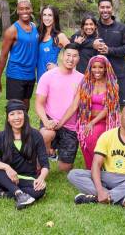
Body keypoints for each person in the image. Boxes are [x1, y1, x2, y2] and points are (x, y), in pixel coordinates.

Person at [68, 105, 125, 207]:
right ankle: (116, 198)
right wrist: (99, 189)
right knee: (74, 174)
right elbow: (96, 164)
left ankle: (97, 198)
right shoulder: (107, 136)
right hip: (107, 176)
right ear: (120, 116)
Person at [0, 100, 49, 210]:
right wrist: (6, 167)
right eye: (12, 114)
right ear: (8, 118)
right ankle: (19, 194)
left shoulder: (35, 135)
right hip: (6, 178)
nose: (16, 117)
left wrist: (41, 178)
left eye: (19, 113)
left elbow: (45, 163)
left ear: (25, 115)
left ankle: (1, 193)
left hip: (27, 178)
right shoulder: (1, 136)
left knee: (40, 190)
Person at [57, 55, 121, 169]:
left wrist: (92, 123)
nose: (97, 70)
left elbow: (108, 108)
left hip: (104, 121)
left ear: (106, 68)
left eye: (100, 67)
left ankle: (102, 167)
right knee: (84, 141)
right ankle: (92, 169)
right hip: (86, 120)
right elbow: (74, 106)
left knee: (90, 136)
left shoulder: (112, 85)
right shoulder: (85, 84)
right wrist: (60, 124)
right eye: (94, 67)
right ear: (90, 68)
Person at [35, 43, 84, 172]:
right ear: (62, 56)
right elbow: (39, 104)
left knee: (64, 168)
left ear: (78, 58)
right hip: (50, 121)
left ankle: (56, 153)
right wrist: (46, 121)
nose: (71, 59)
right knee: (47, 133)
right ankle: (43, 155)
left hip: (70, 126)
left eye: (75, 56)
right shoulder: (48, 76)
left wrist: (61, 123)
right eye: (68, 55)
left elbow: (75, 106)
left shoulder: (82, 79)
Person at [0, 0, 39, 110]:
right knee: (15, 108)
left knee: (26, 106)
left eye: (27, 8)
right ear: (18, 11)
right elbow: (3, 56)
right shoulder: (12, 30)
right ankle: (10, 128)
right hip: (16, 73)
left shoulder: (34, 27)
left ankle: (24, 128)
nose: (24, 11)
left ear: (31, 9)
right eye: (21, 9)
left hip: (30, 74)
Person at [93, 0, 125, 107]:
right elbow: (78, 40)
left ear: (112, 9)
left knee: (119, 106)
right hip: (97, 74)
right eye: (102, 7)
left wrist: (109, 50)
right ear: (98, 9)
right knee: (98, 106)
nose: (105, 10)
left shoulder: (121, 28)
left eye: (108, 7)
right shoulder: (93, 27)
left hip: (117, 74)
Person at [36, 5, 70, 83]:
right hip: (40, 79)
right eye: (44, 15)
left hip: (53, 79)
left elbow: (73, 54)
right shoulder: (39, 34)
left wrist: (60, 68)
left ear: (55, 18)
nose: (46, 18)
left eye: (50, 15)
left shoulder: (60, 36)